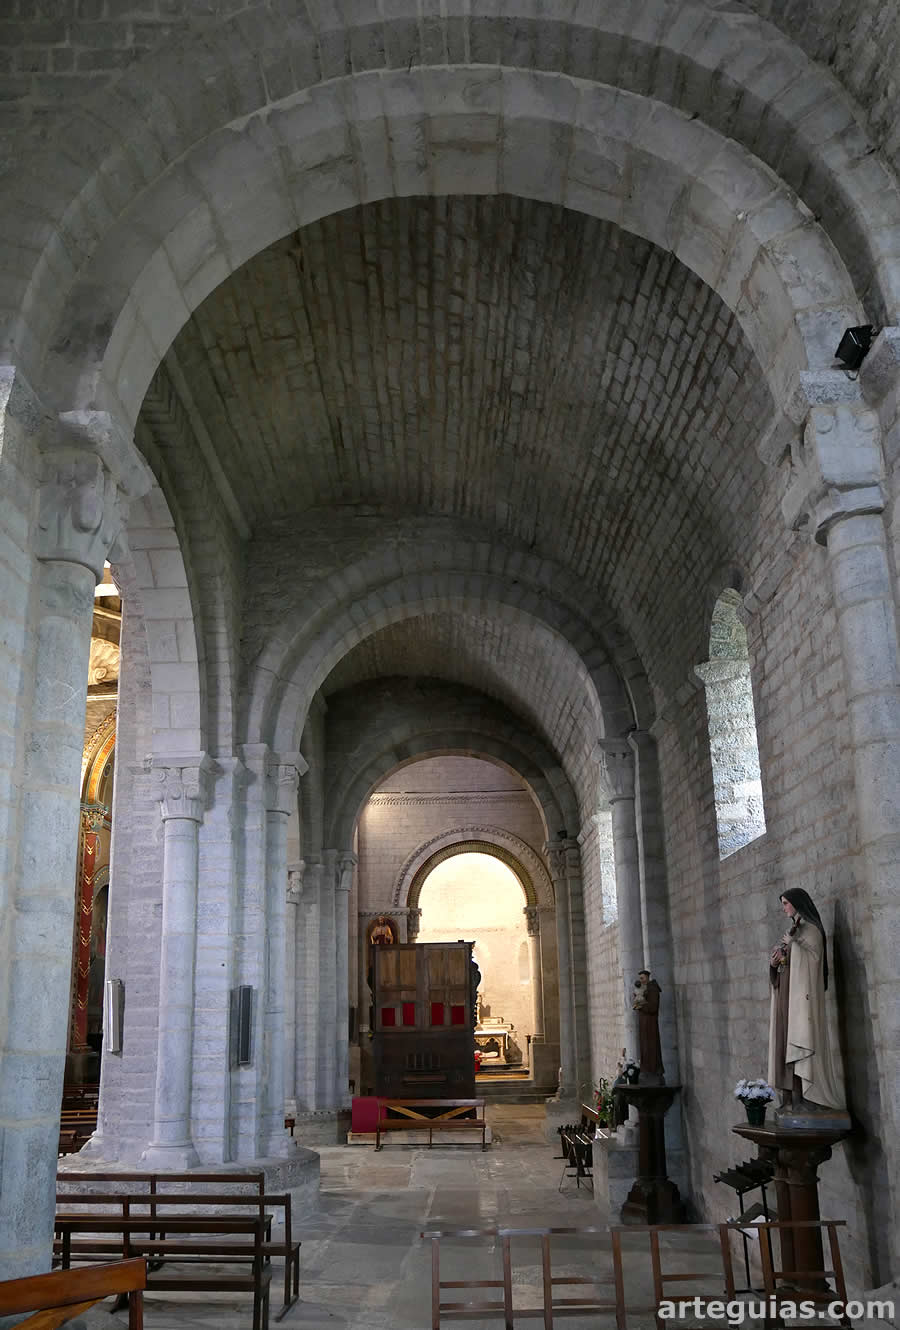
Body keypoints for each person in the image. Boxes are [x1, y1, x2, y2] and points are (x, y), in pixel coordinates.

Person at [768, 888, 844, 1111]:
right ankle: (790, 1099)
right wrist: (775, 962)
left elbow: (814, 961)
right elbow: (786, 963)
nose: (784, 908)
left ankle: (806, 1100)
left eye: (786, 903)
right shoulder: (794, 930)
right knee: (784, 1044)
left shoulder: (812, 930)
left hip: (801, 1000)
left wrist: (792, 946)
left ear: (797, 902)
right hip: (786, 996)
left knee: (800, 1042)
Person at [632, 970, 664, 1083]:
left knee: (651, 1047)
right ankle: (646, 1070)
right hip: (644, 1025)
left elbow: (653, 1007)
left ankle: (653, 1070)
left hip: (650, 1025)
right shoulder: (644, 988)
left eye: (642, 978)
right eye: (640, 978)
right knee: (645, 1048)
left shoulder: (653, 989)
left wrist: (641, 1006)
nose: (641, 980)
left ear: (647, 977)